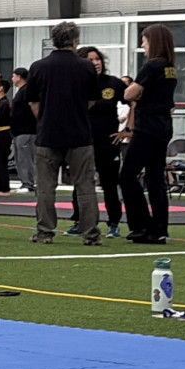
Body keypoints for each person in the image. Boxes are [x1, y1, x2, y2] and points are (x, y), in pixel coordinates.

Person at [22, 21, 101, 246]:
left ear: (54, 40)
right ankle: (91, 234)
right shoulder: (86, 67)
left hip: (48, 133)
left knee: (45, 187)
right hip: (79, 134)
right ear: (75, 41)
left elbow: (33, 102)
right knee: (85, 186)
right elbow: (91, 101)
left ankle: (45, 232)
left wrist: (46, 118)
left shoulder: (39, 67)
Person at [120, 23, 178, 245]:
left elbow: (129, 94)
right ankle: (160, 227)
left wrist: (136, 93)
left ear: (153, 42)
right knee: (155, 178)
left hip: (146, 128)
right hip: (163, 127)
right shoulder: (170, 68)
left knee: (127, 176)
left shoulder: (151, 67)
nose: (142, 45)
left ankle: (141, 224)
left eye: (144, 40)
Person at [74, 47, 126, 238]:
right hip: (83, 141)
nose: (96, 63)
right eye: (90, 60)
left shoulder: (113, 83)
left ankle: (114, 223)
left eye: (98, 59)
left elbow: (134, 102)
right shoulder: (77, 84)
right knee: (81, 182)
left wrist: (128, 130)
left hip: (108, 142)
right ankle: (79, 221)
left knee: (109, 183)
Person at [8, 66, 37, 192]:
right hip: (19, 131)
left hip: (26, 130)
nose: (12, 79)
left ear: (19, 77)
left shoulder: (26, 91)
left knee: (26, 158)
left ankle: (28, 183)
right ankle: (25, 182)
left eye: (13, 76)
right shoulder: (21, 91)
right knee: (21, 158)